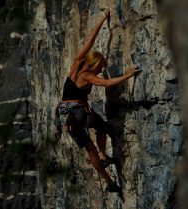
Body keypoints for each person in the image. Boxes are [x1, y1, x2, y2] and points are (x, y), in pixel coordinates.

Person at [56, 10, 140, 193]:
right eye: (101, 68)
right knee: (96, 137)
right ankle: (105, 166)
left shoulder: (78, 62)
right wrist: (130, 74)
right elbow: (108, 83)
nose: (101, 71)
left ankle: (107, 173)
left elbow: (90, 41)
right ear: (95, 65)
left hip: (65, 114)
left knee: (94, 137)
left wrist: (102, 19)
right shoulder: (87, 76)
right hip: (77, 114)